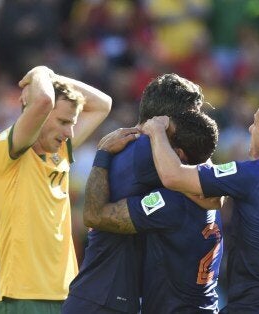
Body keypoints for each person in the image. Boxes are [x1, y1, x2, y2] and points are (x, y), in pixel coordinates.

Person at [141, 97, 259, 313]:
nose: (250, 129)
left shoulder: (253, 175)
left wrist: (156, 130)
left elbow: (172, 176)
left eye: (255, 123)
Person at [63, 74, 219, 313]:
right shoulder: (150, 151)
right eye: (192, 115)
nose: (195, 122)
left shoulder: (132, 144)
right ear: (168, 120)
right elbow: (214, 196)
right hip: (104, 298)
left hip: (104, 294)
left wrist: (102, 154)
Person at [0, 65, 112, 313]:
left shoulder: (60, 152)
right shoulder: (3, 151)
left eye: (72, 123)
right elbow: (43, 100)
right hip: (24, 297)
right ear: (38, 115)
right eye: (64, 122)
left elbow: (103, 104)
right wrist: (40, 71)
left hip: (67, 294)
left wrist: (53, 78)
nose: (70, 132)